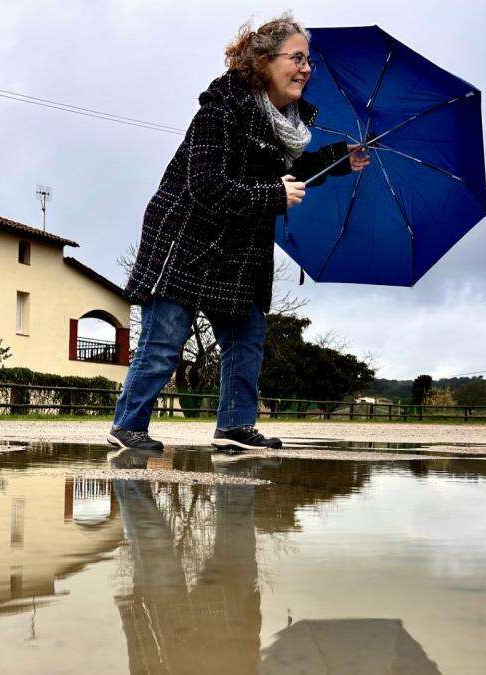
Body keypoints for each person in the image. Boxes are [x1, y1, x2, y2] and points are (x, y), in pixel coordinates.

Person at [109, 13, 369, 453]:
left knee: (246, 338)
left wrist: (338, 158)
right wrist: (271, 195)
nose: (307, 68)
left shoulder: (284, 124)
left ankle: (234, 426)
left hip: (239, 248)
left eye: (309, 61)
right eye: (297, 58)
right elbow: (207, 185)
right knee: (164, 342)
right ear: (265, 61)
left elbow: (283, 172)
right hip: (188, 240)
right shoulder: (221, 109)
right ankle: (128, 426)